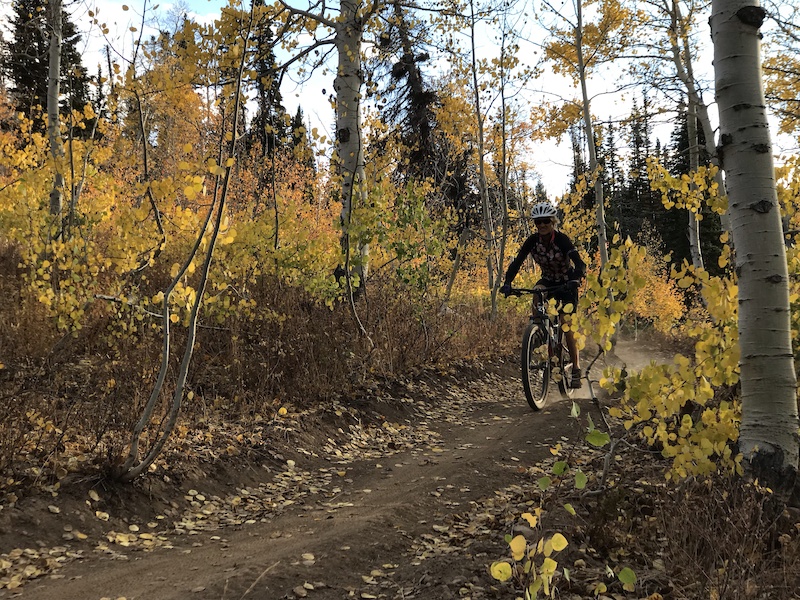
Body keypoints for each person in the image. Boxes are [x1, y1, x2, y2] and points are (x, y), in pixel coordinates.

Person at [500, 202, 586, 388]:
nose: (542, 225)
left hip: (566, 282)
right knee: (537, 291)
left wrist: (577, 278)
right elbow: (517, 262)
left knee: (566, 324)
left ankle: (577, 368)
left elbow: (580, 263)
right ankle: (538, 331)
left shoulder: (562, 240)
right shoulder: (532, 241)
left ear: (553, 222)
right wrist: (507, 282)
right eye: (538, 222)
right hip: (548, 280)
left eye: (546, 221)